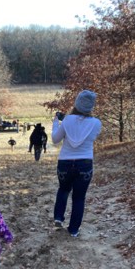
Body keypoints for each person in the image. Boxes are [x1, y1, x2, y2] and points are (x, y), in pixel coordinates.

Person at [52, 90, 102, 237]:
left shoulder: (67, 120)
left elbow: (55, 139)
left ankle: (58, 217)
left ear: (77, 103)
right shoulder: (96, 123)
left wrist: (56, 122)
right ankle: (73, 230)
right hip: (85, 163)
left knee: (63, 190)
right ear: (91, 106)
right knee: (79, 197)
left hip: (65, 163)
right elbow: (91, 138)